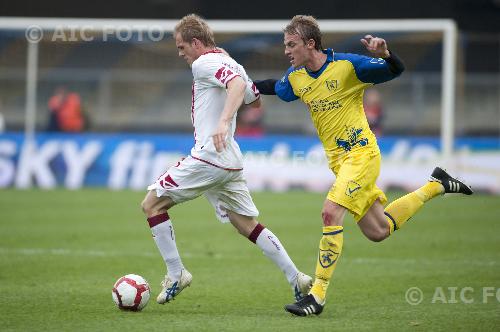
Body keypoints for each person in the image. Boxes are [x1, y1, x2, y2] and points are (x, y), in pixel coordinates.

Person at [253, 15, 473, 316]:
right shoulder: (296, 78)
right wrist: (239, 84)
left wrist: (386, 54)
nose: (286, 51)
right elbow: (271, 87)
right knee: (378, 230)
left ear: (310, 44)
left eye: (291, 45)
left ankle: (316, 296)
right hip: (339, 163)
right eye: (285, 45)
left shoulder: (347, 66)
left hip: (362, 154)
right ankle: (437, 185)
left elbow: (395, 69)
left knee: (330, 212)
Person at [141, 14, 312, 306]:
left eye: (182, 47)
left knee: (151, 204)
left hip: (210, 155)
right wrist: (230, 101)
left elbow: (234, 85)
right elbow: (253, 99)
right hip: (229, 160)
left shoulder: (203, 63)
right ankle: (296, 277)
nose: (181, 54)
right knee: (246, 223)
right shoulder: (231, 61)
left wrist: (222, 121)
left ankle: (176, 273)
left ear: (196, 43)